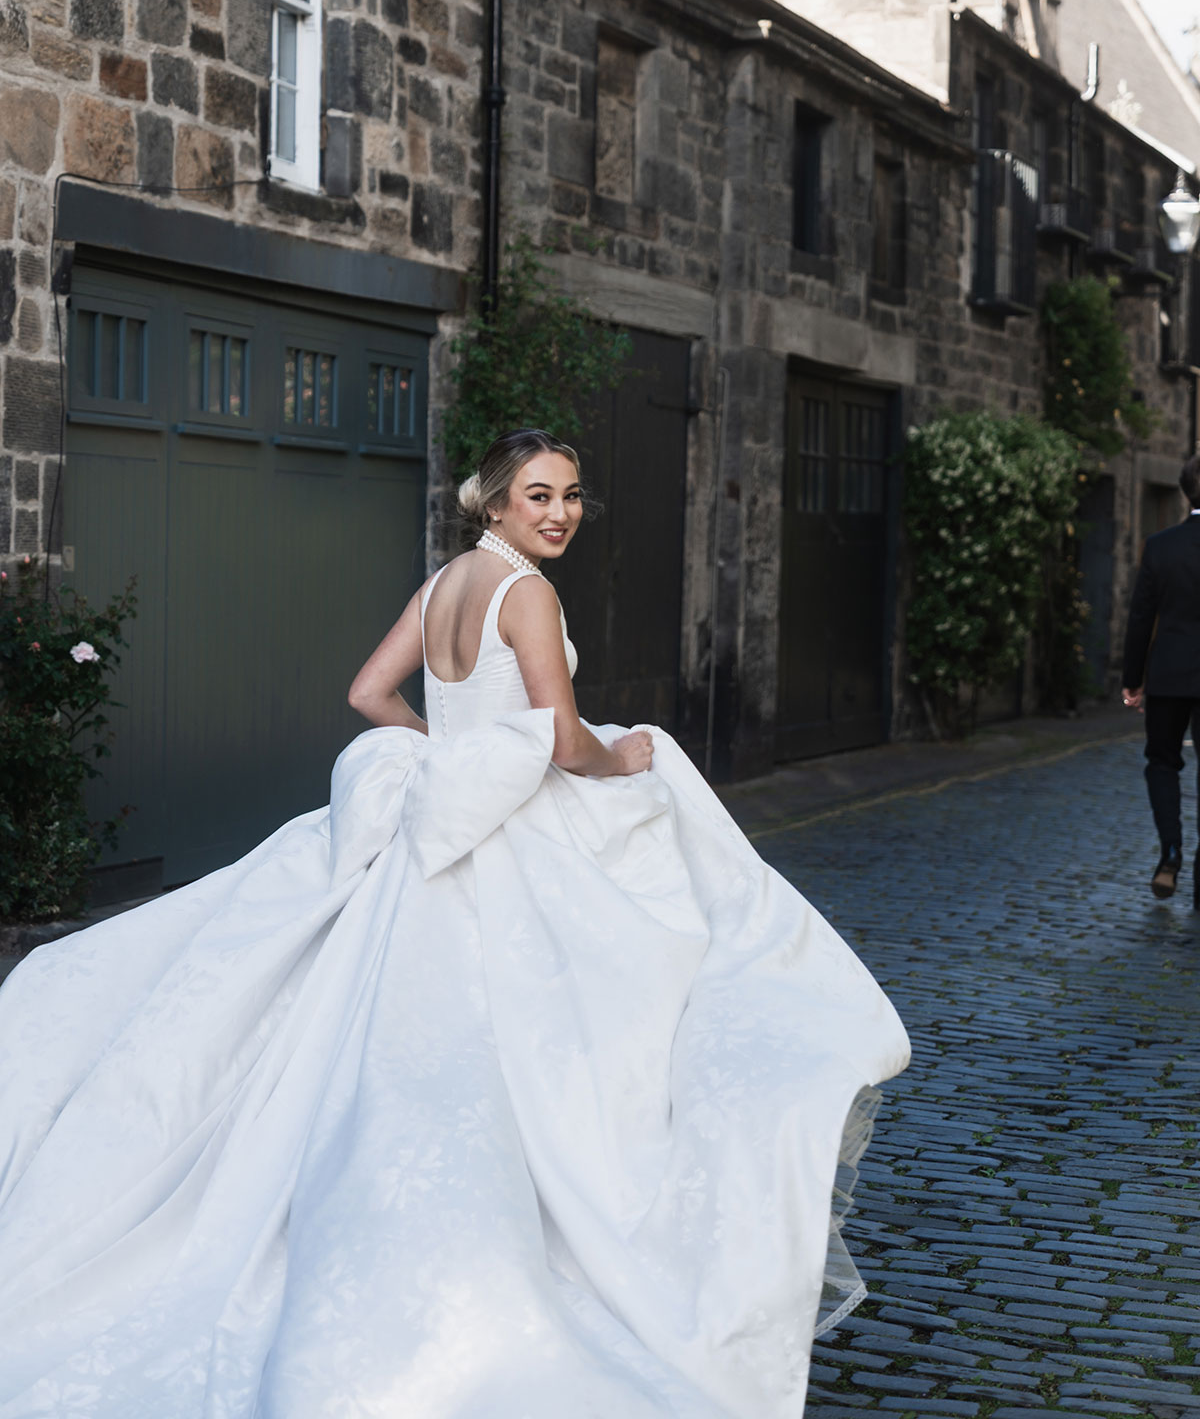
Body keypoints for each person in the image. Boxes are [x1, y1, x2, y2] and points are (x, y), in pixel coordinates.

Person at [0, 427, 909, 1418]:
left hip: (429, 842)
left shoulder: (445, 585)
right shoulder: (530, 594)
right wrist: (631, 757)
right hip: (505, 843)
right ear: (495, 503)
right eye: (538, 496)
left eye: (570, 494)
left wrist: (452, 756)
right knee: (559, 1029)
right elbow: (563, 743)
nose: (559, 512)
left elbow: (368, 694)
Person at [1121, 452, 1200, 909]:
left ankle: (1170, 852)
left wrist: (1133, 679)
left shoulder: (1161, 545)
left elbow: (1139, 619)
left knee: (1162, 763)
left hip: (1169, 673)